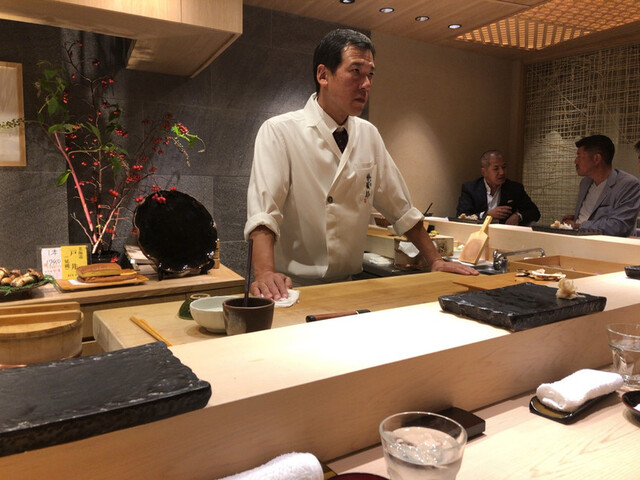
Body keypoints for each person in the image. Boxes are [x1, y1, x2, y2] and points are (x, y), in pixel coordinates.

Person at [244, 28, 477, 300]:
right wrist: (265, 273)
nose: (366, 84)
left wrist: (435, 260)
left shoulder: (369, 134)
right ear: (323, 75)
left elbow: (400, 209)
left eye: (370, 75)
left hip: (348, 285)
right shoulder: (280, 131)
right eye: (355, 71)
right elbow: (264, 213)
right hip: (291, 287)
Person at [561, 135, 640, 237]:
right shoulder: (585, 183)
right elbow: (593, 215)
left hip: (606, 244)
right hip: (577, 239)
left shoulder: (628, 184)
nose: (575, 161)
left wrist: (579, 225)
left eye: (579, 156)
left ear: (596, 159)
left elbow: (619, 226)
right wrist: (575, 219)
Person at [456, 150, 540, 225]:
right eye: (496, 169)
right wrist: (487, 215)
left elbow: (534, 212)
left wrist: (518, 216)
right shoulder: (471, 189)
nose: (502, 172)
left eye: (504, 167)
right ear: (484, 172)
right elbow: (461, 216)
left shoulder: (514, 188)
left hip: (505, 233)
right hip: (477, 232)